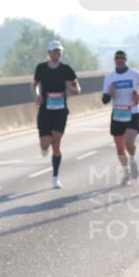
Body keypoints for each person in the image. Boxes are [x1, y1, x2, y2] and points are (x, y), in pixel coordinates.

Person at [33, 40, 81, 189]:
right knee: (46, 142)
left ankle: (55, 177)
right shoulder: (41, 68)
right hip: (45, 111)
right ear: (48, 53)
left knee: (57, 141)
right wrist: (38, 94)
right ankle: (44, 146)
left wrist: (74, 89)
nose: (57, 53)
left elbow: (76, 86)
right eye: (54, 51)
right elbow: (34, 84)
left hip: (60, 110)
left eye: (59, 51)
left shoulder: (66, 69)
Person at [101, 50, 139, 185]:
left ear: (126, 60)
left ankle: (132, 160)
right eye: (117, 58)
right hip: (117, 115)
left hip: (132, 112)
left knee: (129, 142)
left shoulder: (135, 74)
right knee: (120, 148)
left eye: (122, 58)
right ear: (114, 60)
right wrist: (110, 93)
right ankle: (126, 171)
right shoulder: (109, 77)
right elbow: (104, 100)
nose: (120, 60)